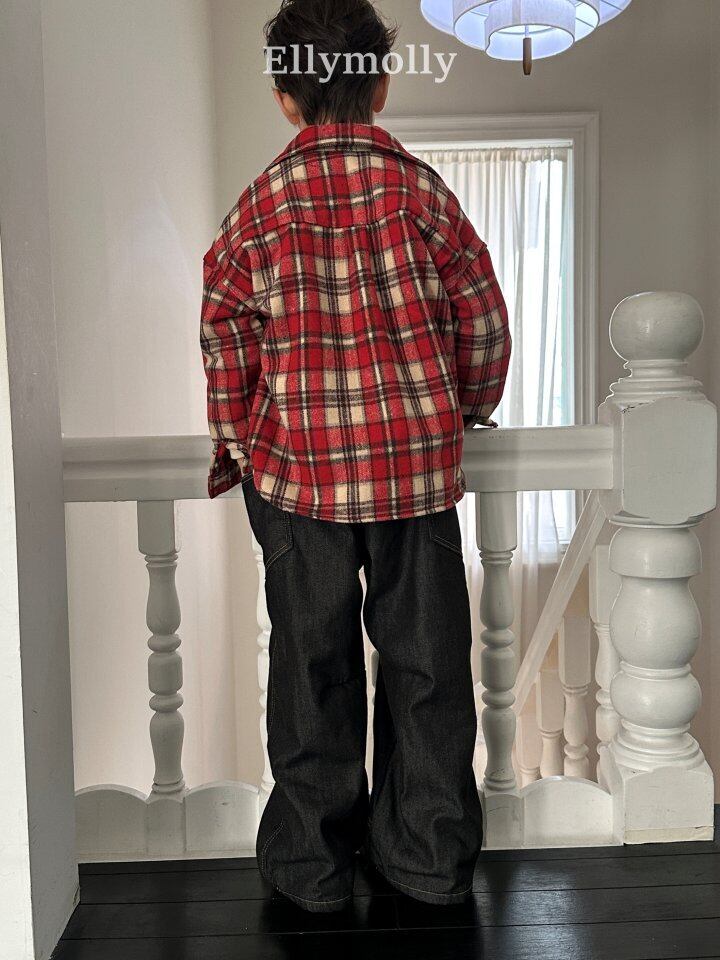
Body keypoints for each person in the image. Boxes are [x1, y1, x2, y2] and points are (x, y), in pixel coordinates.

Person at [200, 0, 511, 914]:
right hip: (414, 472)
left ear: (285, 96)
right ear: (380, 86)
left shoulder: (258, 207)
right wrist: (465, 407)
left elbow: (225, 333)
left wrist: (239, 438)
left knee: (309, 667)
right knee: (427, 667)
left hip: (296, 479)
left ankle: (312, 868)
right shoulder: (421, 193)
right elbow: (482, 316)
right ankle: (426, 855)